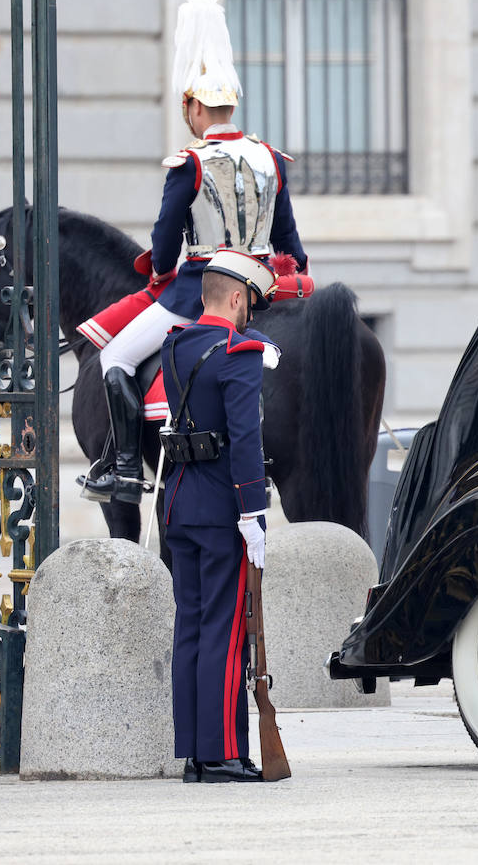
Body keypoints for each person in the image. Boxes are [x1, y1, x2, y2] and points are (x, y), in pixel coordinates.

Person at [79, 0, 307, 504]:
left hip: (196, 296)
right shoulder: (272, 158)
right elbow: (291, 240)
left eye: (189, 108)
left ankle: (121, 470)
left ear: (197, 107)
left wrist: (160, 272)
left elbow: (163, 242)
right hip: (263, 292)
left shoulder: (190, 163)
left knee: (114, 356)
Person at [163, 250, 279, 784]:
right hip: (223, 510)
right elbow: (246, 439)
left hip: (179, 502)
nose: (249, 315)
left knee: (191, 626)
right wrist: (254, 513)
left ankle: (193, 753)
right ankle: (223, 754)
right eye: (249, 304)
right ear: (236, 299)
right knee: (226, 631)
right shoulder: (238, 353)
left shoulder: (174, 346)